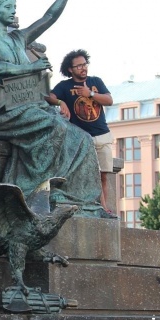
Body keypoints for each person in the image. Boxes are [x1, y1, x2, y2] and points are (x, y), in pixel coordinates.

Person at [0, 0, 108, 217]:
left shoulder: (18, 37)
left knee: (81, 138)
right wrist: (30, 67)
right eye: (8, 7)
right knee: (56, 127)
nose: (13, 11)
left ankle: (74, 197)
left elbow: (49, 17)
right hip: (4, 110)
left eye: (14, 7)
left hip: (29, 103)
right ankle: (40, 190)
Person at [46, 49, 116, 217]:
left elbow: (109, 100)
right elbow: (47, 96)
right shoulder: (65, 86)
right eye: (79, 66)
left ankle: (103, 207)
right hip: (82, 139)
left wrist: (90, 93)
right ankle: (101, 207)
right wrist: (61, 101)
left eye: (85, 64)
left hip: (102, 134)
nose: (83, 68)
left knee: (103, 175)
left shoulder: (95, 81)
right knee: (89, 175)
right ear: (70, 69)